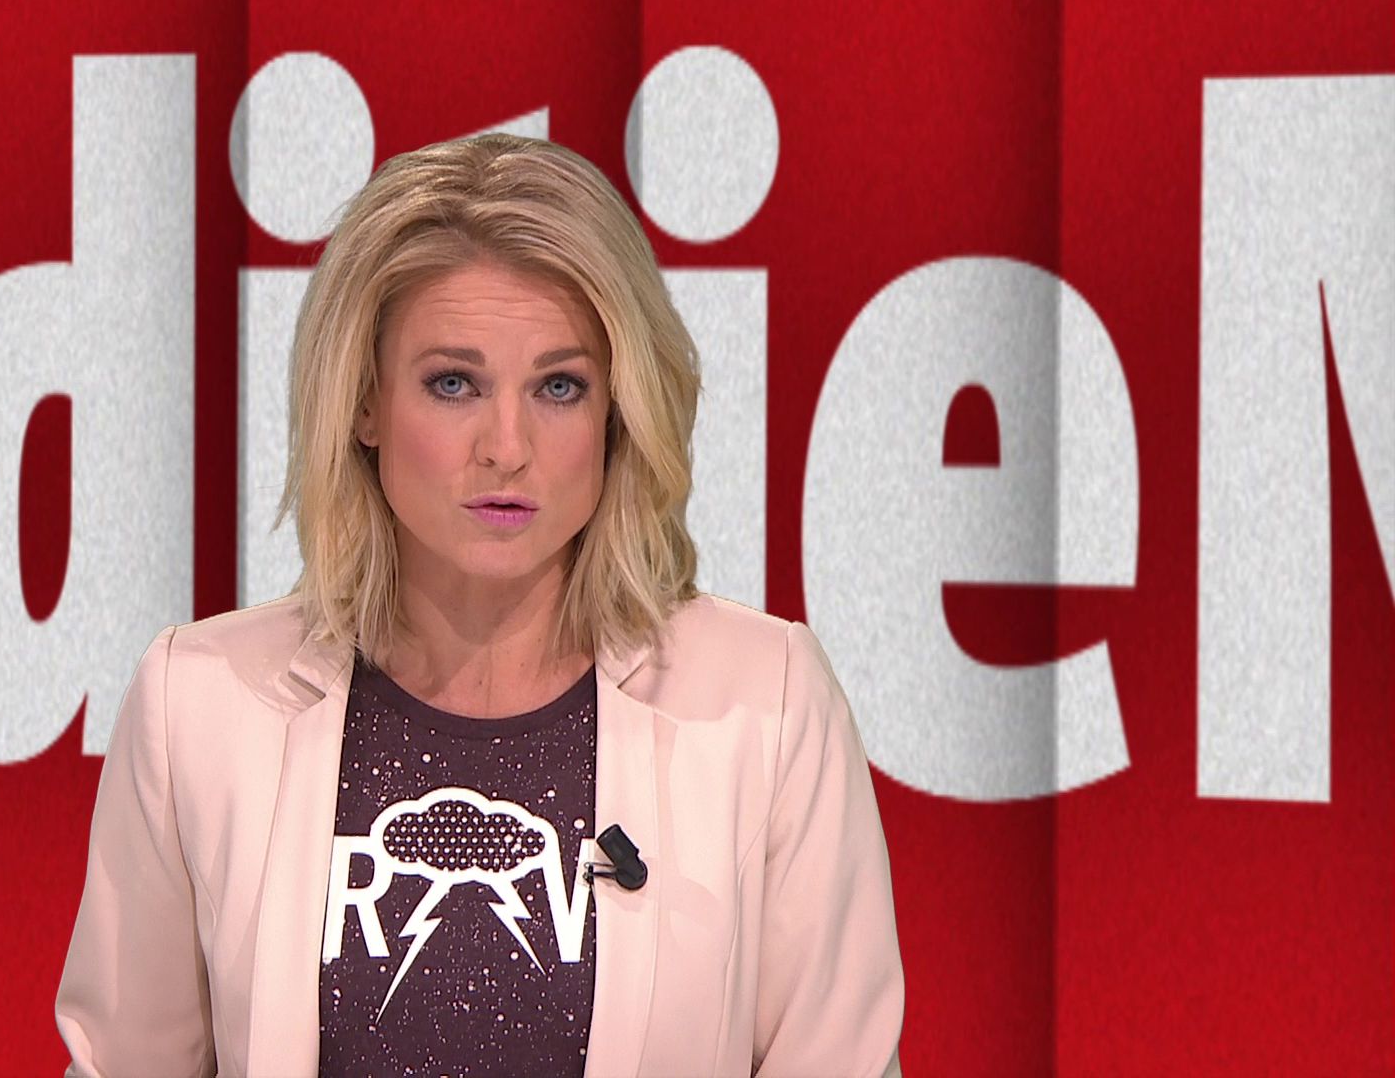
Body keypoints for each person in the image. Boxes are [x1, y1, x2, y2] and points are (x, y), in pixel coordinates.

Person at [55, 132, 903, 1077]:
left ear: (618, 412)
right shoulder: (199, 705)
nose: (507, 446)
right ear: (364, 404)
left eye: (559, 387)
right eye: (453, 383)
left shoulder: (767, 705)